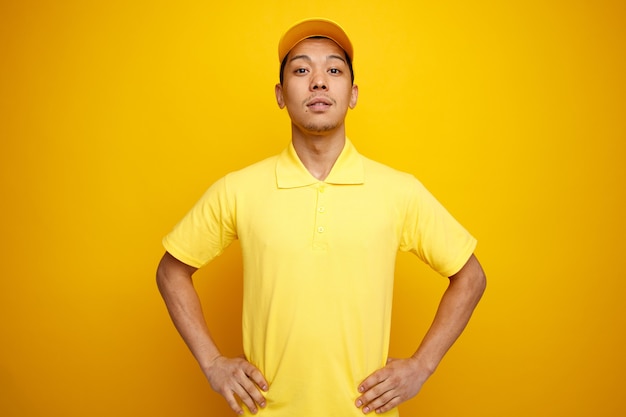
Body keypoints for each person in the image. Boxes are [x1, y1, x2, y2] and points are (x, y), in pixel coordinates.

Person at [156, 18, 486, 417]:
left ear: (352, 94)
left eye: (334, 69)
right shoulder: (238, 189)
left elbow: (471, 277)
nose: (318, 81)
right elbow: (171, 271)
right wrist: (212, 363)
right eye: (301, 70)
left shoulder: (399, 190)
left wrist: (422, 366)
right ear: (281, 94)